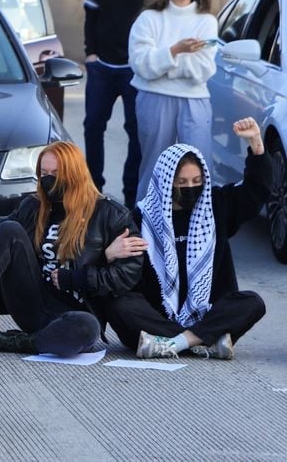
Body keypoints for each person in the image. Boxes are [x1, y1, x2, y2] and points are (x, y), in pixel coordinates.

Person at [0, 141, 144, 357]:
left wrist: (80, 276)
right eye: (44, 174)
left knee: (87, 328)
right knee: (9, 229)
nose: (49, 180)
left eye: (56, 174)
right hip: (33, 300)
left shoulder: (111, 214)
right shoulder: (34, 206)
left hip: (75, 314)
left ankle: (17, 342)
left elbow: (127, 276)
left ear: (75, 174)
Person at [103, 119, 268, 359]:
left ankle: (174, 343)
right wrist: (109, 254)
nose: (190, 188)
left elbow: (256, 191)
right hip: (157, 318)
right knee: (119, 304)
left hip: (207, 314)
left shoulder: (215, 206)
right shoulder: (141, 218)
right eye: (181, 183)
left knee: (252, 302)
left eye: (196, 181)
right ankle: (205, 340)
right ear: (165, 182)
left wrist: (255, 142)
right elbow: (117, 276)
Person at [81, 0, 164, 208]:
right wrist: (90, 53)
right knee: (93, 126)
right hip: (102, 66)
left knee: (137, 131)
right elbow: (90, 16)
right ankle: (93, 191)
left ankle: (132, 196)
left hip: (136, 70)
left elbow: (160, 23)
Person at [128, 0, 218, 201]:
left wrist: (163, 62)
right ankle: (146, 217)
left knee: (198, 165)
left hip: (195, 100)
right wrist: (176, 50)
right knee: (154, 163)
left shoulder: (207, 21)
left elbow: (203, 69)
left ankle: (200, 219)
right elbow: (140, 64)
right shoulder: (149, 18)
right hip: (154, 98)